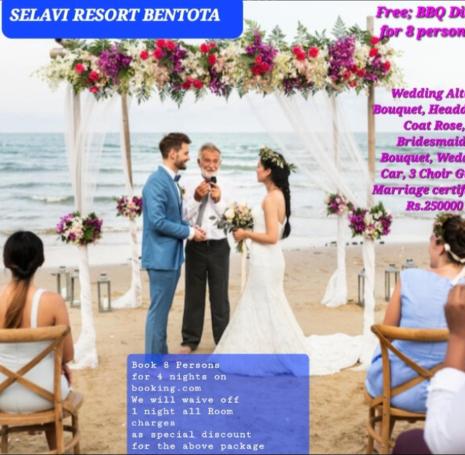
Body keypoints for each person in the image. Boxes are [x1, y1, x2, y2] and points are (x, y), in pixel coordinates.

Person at [213, 147, 361, 376]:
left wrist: (245, 234)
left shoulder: (271, 199)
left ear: (268, 171)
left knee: (265, 303)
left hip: (266, 259)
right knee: (264, 303)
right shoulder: (278, 196)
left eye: (259, 166)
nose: (256, 169)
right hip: (268, 259)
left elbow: (272, 237)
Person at [365, 213, 465, 412]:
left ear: (438, 244)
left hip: (394, 390)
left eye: (430, 240)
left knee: (382, 346)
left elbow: (386, 334)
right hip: (450, 391)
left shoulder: (408, 278)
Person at [393, 285, 465, 454]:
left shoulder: (407, 281)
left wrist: (459, 337)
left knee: (408, 442)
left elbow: (443, 443)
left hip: (401, 390)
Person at [0, 231, 73, 450]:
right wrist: (62, 365)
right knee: (55, 373)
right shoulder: (53, 302)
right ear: (40, 261)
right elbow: (68, 355)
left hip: (2, 397)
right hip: (46, 396)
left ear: (6, 261)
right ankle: (55, 447)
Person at [141, 132, 206, 354]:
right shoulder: (156, 182)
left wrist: (191, 227)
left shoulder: (169, 181)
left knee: (161, 312)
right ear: (172, 153)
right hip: (160, 258)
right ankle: (153, 362)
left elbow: (171, 218)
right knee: (158, 312)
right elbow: (158, 221)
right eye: (185, 153)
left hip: (170, 257)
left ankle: (160, 356)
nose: (188, 157)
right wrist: (188, 232)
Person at [179, 143, 231, 354]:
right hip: (195, 246)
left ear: (219, 163)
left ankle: (223, 340)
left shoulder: (228, 184)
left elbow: (232, 218)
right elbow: (182, 218)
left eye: (215, 161)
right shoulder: (187, 183)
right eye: (206, 160)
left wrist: (218, 202)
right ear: (199, 162)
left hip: (219, 245)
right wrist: (196, 198)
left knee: (220, 295)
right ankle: (190, 340)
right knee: (194, 294)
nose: (211, 165)